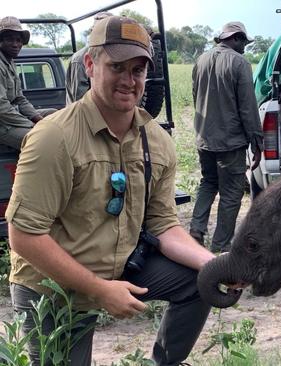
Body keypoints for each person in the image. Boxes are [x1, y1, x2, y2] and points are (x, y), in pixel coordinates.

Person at [7, 16, 214, 365]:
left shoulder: (157, 141)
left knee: (201, 282)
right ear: (90, 64)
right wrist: (101, 290)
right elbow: (24, 236)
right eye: (116, 66)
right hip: (52, 286)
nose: (128, 80)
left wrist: (215, 265)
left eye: (138, 70)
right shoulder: (54, 137)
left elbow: (163, 224)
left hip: (117, 265)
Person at [190, 21, 263, 253]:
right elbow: (248, 108)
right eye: (244, 42)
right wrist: (257, 141)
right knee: (231, 193)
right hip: (230, 142)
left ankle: (196, 229)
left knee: (208, 182)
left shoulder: (200, 60)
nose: (245, 48)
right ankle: (220, 246)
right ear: (237, 38)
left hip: (204, 137)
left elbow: (195, 97)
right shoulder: (240, 63)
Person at [0, 16, 48, 150]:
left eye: (18, 40)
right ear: (1, 41)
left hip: (12, 116)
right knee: (44, 138)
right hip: (3, 124)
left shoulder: (10, 61)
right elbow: (2, 108)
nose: (15, 44)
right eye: (9, 39)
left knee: (54, 115)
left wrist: (38, 119)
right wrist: (32, 125)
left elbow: (19, 98)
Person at [65, 11, 112, 104]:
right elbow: (80, 101)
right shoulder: (79, 59)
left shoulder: (112, 55)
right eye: (101, 31)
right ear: (93, 32)